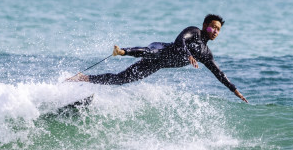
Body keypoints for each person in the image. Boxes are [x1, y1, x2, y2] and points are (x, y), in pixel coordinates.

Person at [67, 14, 249, 103]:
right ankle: (122, 51)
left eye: (218, 30)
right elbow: (180, 41)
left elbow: (218, 73)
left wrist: (234, 90)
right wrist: (188, 55)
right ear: (205, 25)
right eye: (213, 27)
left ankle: (83, 77)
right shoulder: (194, 31)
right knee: (152, 52)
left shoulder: (205, 54)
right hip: (160, 49)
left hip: (157, 66)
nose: (215, 31)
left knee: (121, 79)